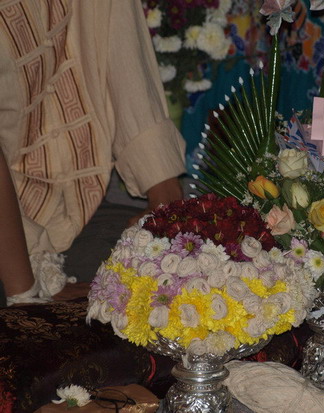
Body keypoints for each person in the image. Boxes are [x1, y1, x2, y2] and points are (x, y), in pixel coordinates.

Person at [0, 0, 186, 306]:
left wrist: (166, 205)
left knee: (185, 289)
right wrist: (25, 293)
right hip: (12, 235)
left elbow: (119, 39)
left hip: (79, 204)